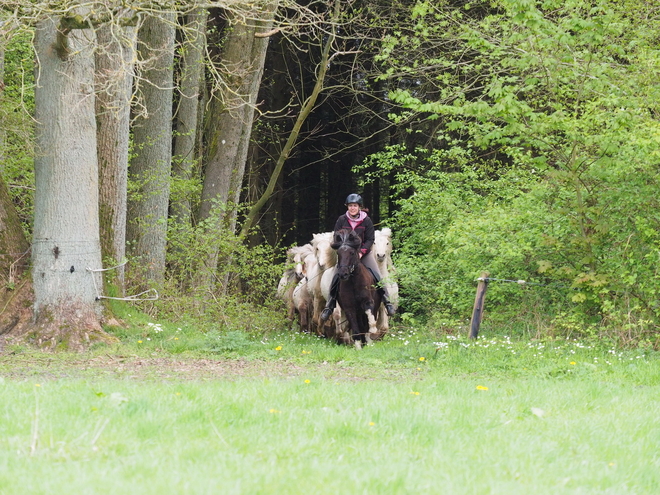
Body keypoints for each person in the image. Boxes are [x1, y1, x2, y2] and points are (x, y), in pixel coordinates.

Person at [320, 193, 396, 321]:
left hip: (364, 254)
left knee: (377, 274)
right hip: (346, 256)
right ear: (347, 207)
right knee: (336, 276)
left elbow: (370, 239)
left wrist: (362, 252)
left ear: (359, 207)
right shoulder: (341, 220)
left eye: (355, 206)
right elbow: (336, 237)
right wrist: (342, 250)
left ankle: (387, 302)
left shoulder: (366, 221)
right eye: (350, 206)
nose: (352, 208)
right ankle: (330, 305)